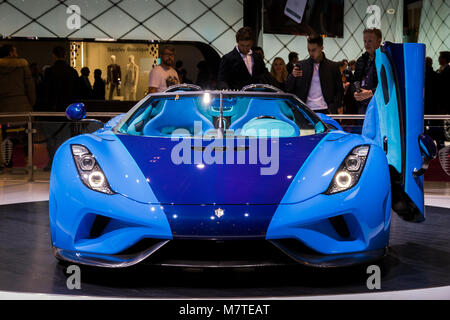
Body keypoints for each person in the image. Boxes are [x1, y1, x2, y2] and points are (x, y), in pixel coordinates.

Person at [285, 34, 343, 114]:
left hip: (327, 110)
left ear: (321, 48)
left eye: (314, 50)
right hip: (305, 110)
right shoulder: (301, 66)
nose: (311, 53)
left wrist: (334, 106)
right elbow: (288, 88)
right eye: (309, 50)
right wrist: (292, 76)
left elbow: (339, 91)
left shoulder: (333, 67)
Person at [353, 28, 382, 115]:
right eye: (365, 41)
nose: (366, 44)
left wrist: (371, 93)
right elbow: (354, 81)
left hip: (378, 106)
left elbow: (388, 85)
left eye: (370, 41)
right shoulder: (360, 61)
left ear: (379, 41)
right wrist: (355, 92)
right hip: (361, 107)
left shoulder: (384, 60)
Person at [0, 45, 36, 116]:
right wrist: (31, 103)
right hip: (22, 107)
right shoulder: (22, 66)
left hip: (3, 108)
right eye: (16, 52)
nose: (17, 55)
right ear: (11, 53)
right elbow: (30, 88)